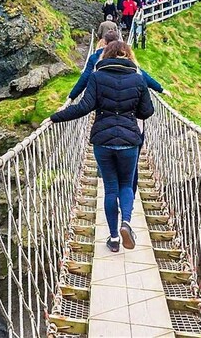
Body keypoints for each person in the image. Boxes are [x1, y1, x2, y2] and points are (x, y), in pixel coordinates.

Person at [50, 41, 155, 252]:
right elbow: (147, 111)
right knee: (126, 185)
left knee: (110, 188)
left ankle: (114, 238)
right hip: (129, 142)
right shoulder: (138, 79)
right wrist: (130, 113)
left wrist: (55, 117)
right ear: (128, 55)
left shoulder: (97, 77)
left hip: (103, 141)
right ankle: (126, 222)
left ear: (105, 54)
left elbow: (84, 107)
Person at [68, 29, 171, 101]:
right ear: (118, 41)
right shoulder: (125, 55)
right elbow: (141, 74)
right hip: (125, 96)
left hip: (103, 97)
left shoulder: (95, 57)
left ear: (105, 42)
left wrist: (71, 97)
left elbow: (85, 77)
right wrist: (160, 89)